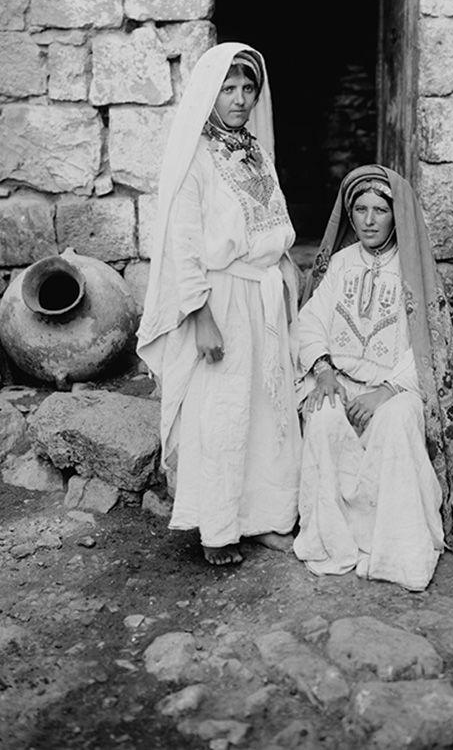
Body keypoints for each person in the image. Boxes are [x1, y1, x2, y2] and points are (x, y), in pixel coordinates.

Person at [137, 43, 301, 567]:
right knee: (224, 414)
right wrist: (201, 317)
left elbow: (271, 226)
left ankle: (268, 519)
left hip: (264, 298)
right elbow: (185, 246)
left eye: (247, 88)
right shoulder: (198, 159)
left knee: (269, 409)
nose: (238, 99)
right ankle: (219, 529)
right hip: (222, 301)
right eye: (228, 89)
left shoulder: (256, 153)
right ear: (210, 93)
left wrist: (287, 274)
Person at [292, 165, 453, 592]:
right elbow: (310, 321)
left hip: (399, 389)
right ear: (349, 213)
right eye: (360, 209)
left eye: (380, 209)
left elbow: (432, 347)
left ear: (398, 216)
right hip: (340, 381)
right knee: (322, 417)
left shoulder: (414, 271)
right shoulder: (339, 264)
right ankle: (336, 541)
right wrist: (323, 371)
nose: (369, 220)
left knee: (396, 423)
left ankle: (395, 552)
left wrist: (387, 391)